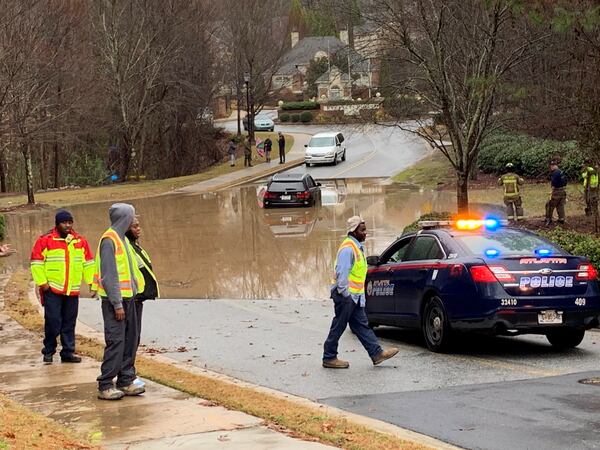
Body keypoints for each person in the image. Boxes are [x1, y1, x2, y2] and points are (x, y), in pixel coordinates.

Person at [322, 216, 399, 369]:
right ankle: (329, 357)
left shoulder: (356, 247)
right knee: (339, 325)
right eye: (362, 230)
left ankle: (376, 354)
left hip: (354, 296)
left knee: (362, 326)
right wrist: (346, 296)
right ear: (353, 231)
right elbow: (342, 273)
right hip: (346, 296)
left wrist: (358, 298)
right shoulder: (348, 248)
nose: (366, 233)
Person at [92, 203, 146, 400]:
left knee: (130, 341)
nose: (134, 221)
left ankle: (126, 380)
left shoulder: (123, 238)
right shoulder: (109, 240)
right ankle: (105, 384)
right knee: (116, 341)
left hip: (129, 299)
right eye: (131, 216)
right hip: (116, 302)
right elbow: (109, 275)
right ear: (124, 217)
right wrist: (117, 304)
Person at [30, 210, 94, 364]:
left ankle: (68, 352)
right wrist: (43, 283)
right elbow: (36, 263)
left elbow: (88, 263)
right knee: (53, 322)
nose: (67, 225)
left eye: (70, 222)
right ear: (57, 224)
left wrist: (92, 283)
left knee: (69, 322)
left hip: (72, 289)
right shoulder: (45, 240)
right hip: (52, 289)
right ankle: (48, 351)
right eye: (64, 222)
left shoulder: (80, 241)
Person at [125, 216, 159, 390]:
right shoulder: (125, 247)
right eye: (134, 226)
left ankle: (129, 373)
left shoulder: (134, 246)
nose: (138, 229)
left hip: (138, 298)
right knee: (130, 339)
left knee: (134, 338)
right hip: (131, 298)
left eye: (139, 225)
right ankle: (127, 376)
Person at [545, 160, 568, 225]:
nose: (551, 167)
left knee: (549, 205)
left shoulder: (555, 173)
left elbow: (554, 183)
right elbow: (566, 181)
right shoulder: (561, 172)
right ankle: (561, 219)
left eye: (553, 166)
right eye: (551, 166)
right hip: (563, 191)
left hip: (556, 191)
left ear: (556, 166)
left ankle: (548, 219)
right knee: (560, 205)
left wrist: (551, 191)